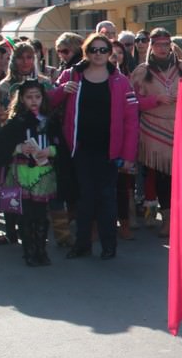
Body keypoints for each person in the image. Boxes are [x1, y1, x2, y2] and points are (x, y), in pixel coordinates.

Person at [51, 33, 139, 260]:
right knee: (84, 199)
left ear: (110, 53)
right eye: (93, 50)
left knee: (106, 199)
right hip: (80, 149)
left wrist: (128, 155)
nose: (98, 54)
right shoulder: (72, 75)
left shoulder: (121, 81)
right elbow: (48, 101)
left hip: (109, 150)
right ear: (86, 52)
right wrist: (63, 90)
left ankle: (109, 246)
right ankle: (82, 245)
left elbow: (131, 120)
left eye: (103, 50)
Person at [0, 80, 62, 266]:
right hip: (21, 174)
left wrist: (50, 151)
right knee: (26, 214)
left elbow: (60, 145)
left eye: (37, 97)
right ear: (21, 99)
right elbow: (0, 146)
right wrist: (18, 147)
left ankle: (41, 250)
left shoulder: (50, 120)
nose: (34, 101)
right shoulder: (16, 122)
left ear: (43, 98)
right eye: (29, 97)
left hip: (43, 174)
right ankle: (29, 251)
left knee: (41, 213)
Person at [131, 27, 182, 239]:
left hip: (180, 126)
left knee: (181, 176)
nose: (162, 49)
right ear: (152, 46)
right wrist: (154, 100)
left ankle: (181, 218)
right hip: (153, 128)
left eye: (166, 45)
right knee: (161, 176)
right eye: (158, 45)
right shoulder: (142, 71)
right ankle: (167, 218)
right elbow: (132, 102)